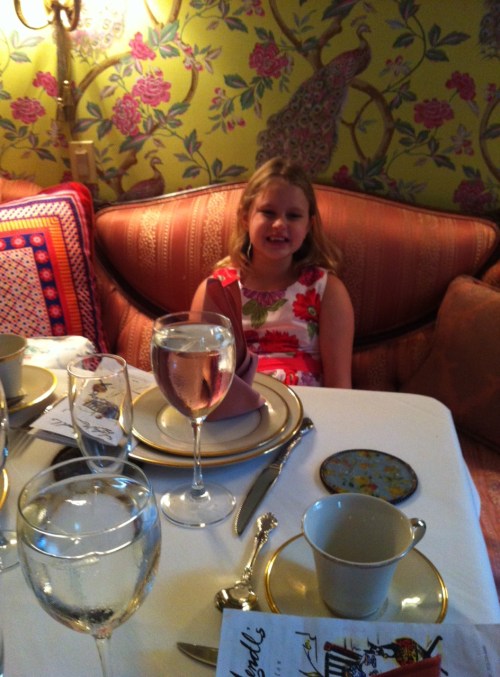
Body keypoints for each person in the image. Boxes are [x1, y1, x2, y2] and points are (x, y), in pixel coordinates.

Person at [192, 157, 354, 388]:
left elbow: (340, 386)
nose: (279, 224)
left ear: (308, 225)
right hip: (240, 404)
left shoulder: (327, 290)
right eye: (268, 212)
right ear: (245, 217)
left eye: (293, 216)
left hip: (307, 405)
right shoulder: (218, 289)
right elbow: (201, 380)